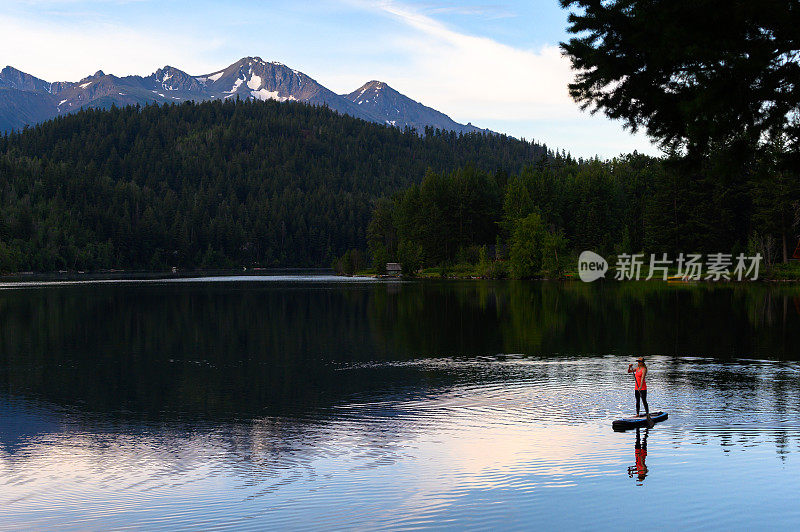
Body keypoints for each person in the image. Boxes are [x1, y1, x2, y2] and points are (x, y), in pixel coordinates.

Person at [627, 357, 650, 421]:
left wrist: (640, 386)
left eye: (639, 362)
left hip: (642, 388)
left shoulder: (644, 369)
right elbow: (629, 371)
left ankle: (647, 414)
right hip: (636, 387)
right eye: (638, 362)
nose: (638, 363)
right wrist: (629, 367)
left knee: (644, 401)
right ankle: (637, 414)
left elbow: (642, 378)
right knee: (637, 401)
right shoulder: (637, 369)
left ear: (642, 363)